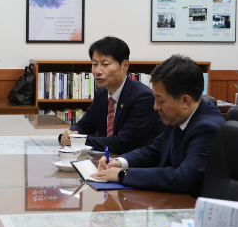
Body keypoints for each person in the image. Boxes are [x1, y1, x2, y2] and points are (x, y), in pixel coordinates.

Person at [91, 54, 224, 195]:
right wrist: (118, 162)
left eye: (161, 100)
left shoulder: (206, 129)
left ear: (185, 101)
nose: (155, 106)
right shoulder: (178, 116)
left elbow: (182, 178)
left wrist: (122, 174)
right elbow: (153, 151)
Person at [58, 36, 164, 155]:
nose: (97, 71)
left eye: (105, 64)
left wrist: (77, 140)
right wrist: (71, 133)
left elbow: (122, 143)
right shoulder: (102, 93)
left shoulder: (143, 97)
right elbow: (85, 124)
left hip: (138, 165)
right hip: (108, 159)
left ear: (125, 65)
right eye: (94, 64)